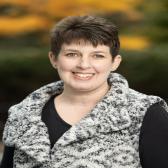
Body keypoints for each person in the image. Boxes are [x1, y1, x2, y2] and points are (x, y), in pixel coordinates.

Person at [1, 15, 168, 168]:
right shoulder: (22, 114)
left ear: (115, 62)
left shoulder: (146, 113)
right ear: (54, 59)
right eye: (72, 54)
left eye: (98, 56)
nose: (84, 65)